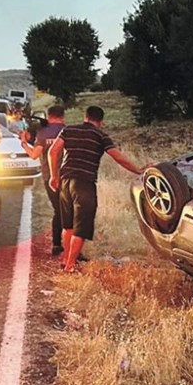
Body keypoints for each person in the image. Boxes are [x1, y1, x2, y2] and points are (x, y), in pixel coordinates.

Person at [48, 106, 142, 272]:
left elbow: (53, 152)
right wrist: (138, 170)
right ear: (101, 122)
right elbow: (118, 157)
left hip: (65, 181)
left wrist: (54, 176)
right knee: (81, 226)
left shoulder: (69, 129)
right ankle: (70, 266)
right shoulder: (100, 135)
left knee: (68, 225)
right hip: (84, 183)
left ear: (85, 116)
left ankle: (65, 260)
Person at [21, 105, 67, 256]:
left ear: (49, 116)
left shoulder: (43, 133)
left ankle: (57, 244)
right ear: (63, 116)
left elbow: (34, 155)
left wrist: (24, 144)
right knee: (68, 210)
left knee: (58, 210)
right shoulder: (68, 130)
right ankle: (68, 246)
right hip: (68, 177)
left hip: (49, 178)